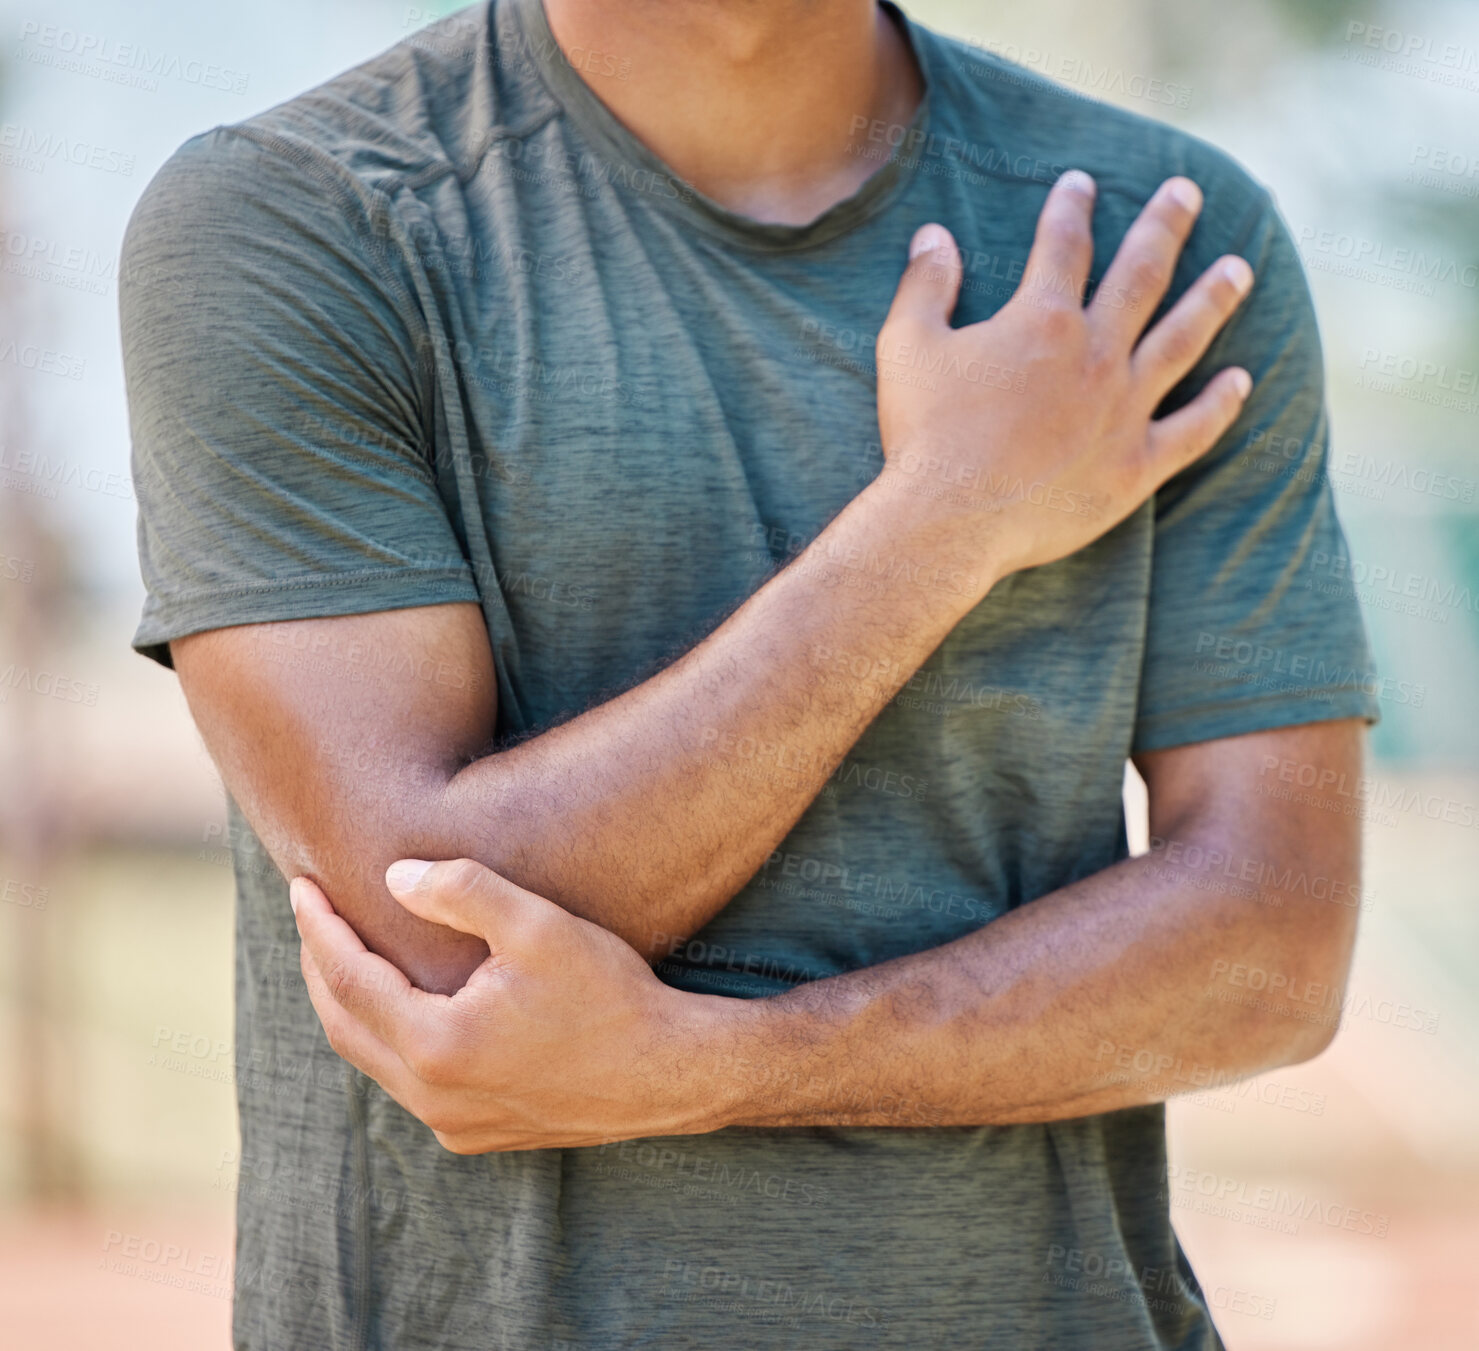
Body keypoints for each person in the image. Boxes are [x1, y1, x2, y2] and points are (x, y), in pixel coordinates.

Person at [120, 1, 1379, 1346]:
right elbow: (433, 927)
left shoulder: (1156, 246)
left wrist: (727, 1068)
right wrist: (943, 520)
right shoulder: (302, 222)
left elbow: (1274, 950)